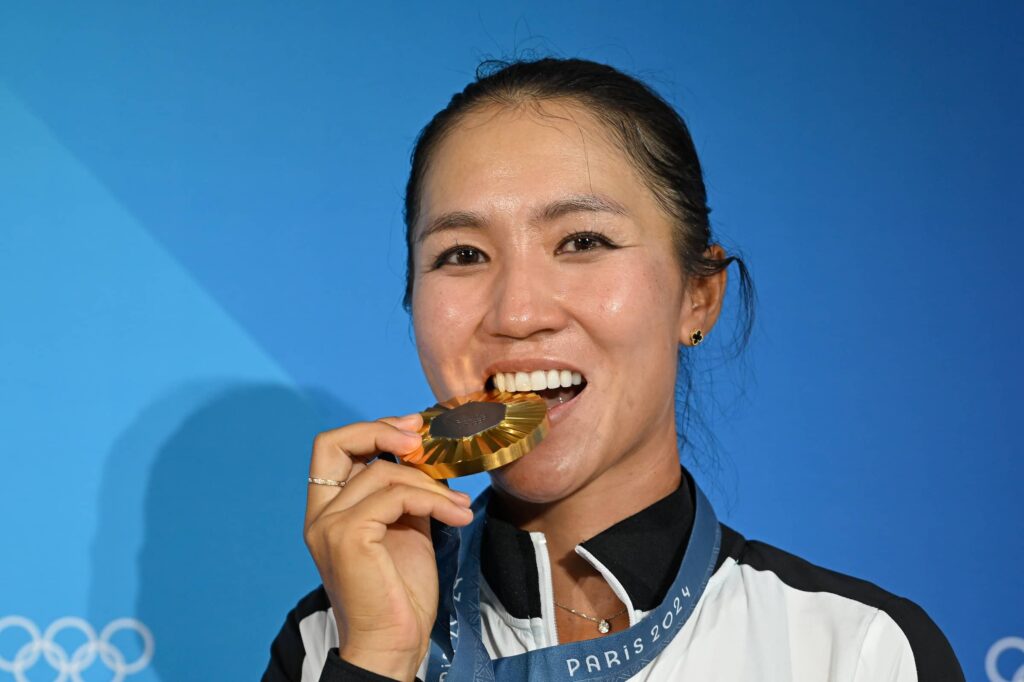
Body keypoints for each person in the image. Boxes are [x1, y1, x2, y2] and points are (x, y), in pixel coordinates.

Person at [262, 57, 964, 681]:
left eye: (582, 241)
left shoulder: (858, 651)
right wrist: (380, 656)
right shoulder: (332, 640)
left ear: (698, 294)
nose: (517, 311)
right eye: (463, 255)